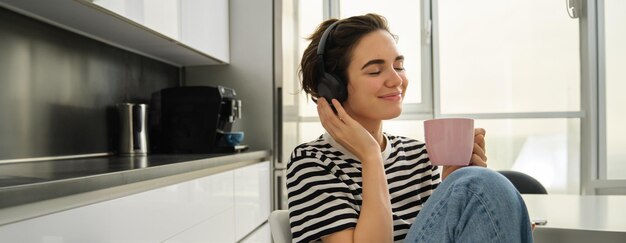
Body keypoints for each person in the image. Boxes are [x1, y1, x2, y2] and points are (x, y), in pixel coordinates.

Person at [286, 13, 533, 243]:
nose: (396, 80)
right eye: (375, 70)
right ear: (333, 87)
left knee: (479, 184)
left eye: (399, 66)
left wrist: (455, 193)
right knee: (477, 184)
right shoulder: (311, 162)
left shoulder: (417, 155)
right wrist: (371, 157)